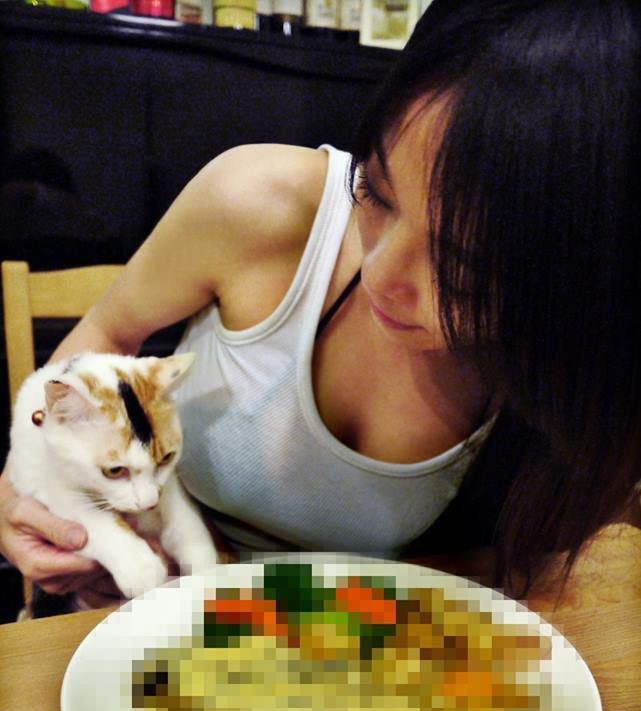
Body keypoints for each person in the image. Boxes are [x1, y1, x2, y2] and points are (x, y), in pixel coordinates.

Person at [1, 0, 640, 610]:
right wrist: (28, 480)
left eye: (464, 267)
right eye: (376, 192)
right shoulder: (257, 203)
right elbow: (106, 334)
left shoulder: (574, 397)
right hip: (145, 601)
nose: (381, 273)